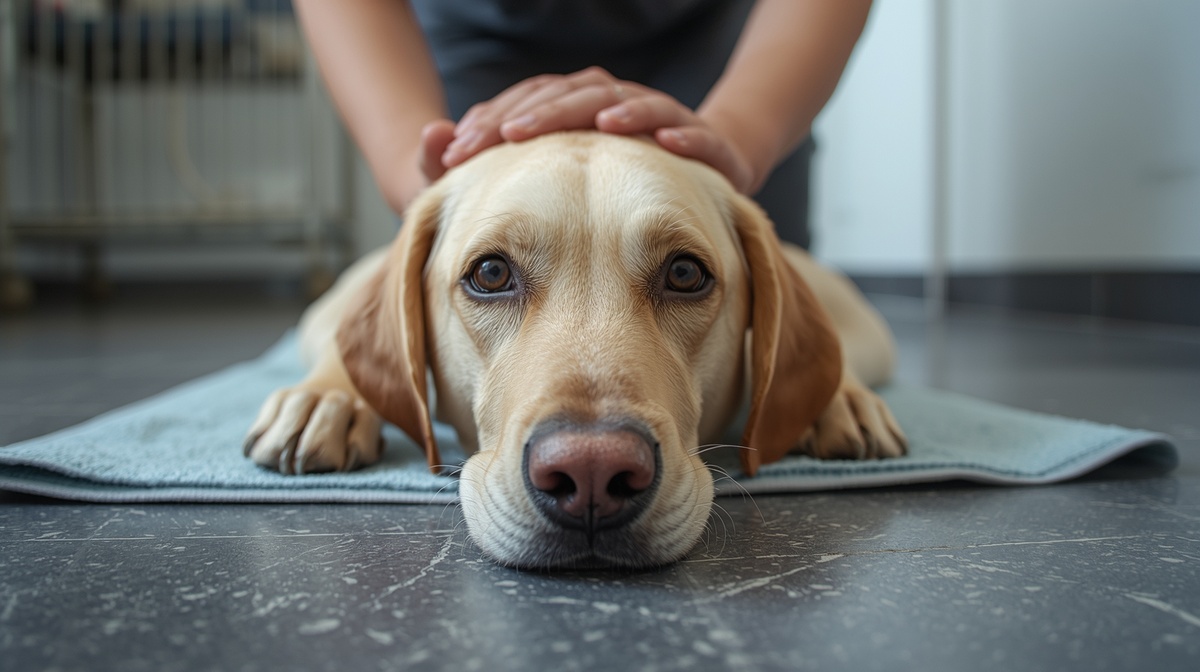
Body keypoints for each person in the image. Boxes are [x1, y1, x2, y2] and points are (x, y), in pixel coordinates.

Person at [294, 0, 872, 249]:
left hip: (723, 36)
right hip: (475, 30)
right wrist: (409, 168)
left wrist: (742, 135)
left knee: (769, 305)